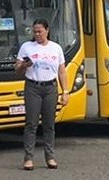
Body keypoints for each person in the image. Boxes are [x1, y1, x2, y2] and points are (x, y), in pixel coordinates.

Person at [14, 19, 68, 170]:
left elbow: (62, 71)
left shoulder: (56, 48)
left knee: (49, 124)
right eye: (35, 31)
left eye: (40, 31)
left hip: (50, 87)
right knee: (31, 123)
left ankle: (50, 156)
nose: (37, 34)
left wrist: (65, 92)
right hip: (33, 87)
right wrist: (24, 65)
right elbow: (17, 69)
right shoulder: (27, 47)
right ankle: (28, 158)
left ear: (47, 30)